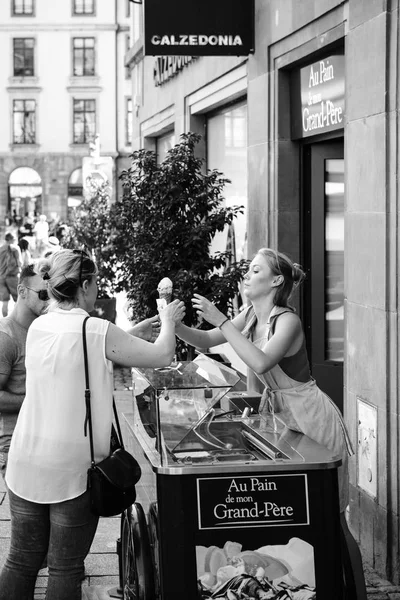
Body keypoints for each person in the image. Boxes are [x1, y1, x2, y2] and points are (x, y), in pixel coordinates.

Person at [0, 249, 185, 600]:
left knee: (21, 561)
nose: (98, 289)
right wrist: (169, 317)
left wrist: (129, 333)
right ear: (85, 285)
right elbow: (162, 355)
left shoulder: (39, 326)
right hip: (73, 468)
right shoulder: (97, 330)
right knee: (65, 567)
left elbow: (77, 350)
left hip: (25, 459)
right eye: (96, 282)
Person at [175, 248, 353, 514]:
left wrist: (221, 320)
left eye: (255, 271)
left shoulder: (288, 320)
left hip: (312, 417)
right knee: (297, 509)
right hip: (285, 418)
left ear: (276, 281)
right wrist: (173, 324)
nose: (246, 275)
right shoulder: (249, 315)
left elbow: (260, 362)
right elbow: (206, 340)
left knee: (328, 516)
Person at [0, 263, 49, 477]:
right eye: (44, 294)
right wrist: (39, 401)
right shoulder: (6, 336)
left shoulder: (44, 330)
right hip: (14, 445)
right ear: (21, 291)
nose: (49, 301)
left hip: (45, 442)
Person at [0, 232, 22, 317]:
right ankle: (16, 320)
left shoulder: (0, 249)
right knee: (18, 301)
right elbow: (20, 263)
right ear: (12, 239)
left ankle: (5, 321)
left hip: (1, 277)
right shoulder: (15, 248)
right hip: (13, 277)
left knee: (5, 302)